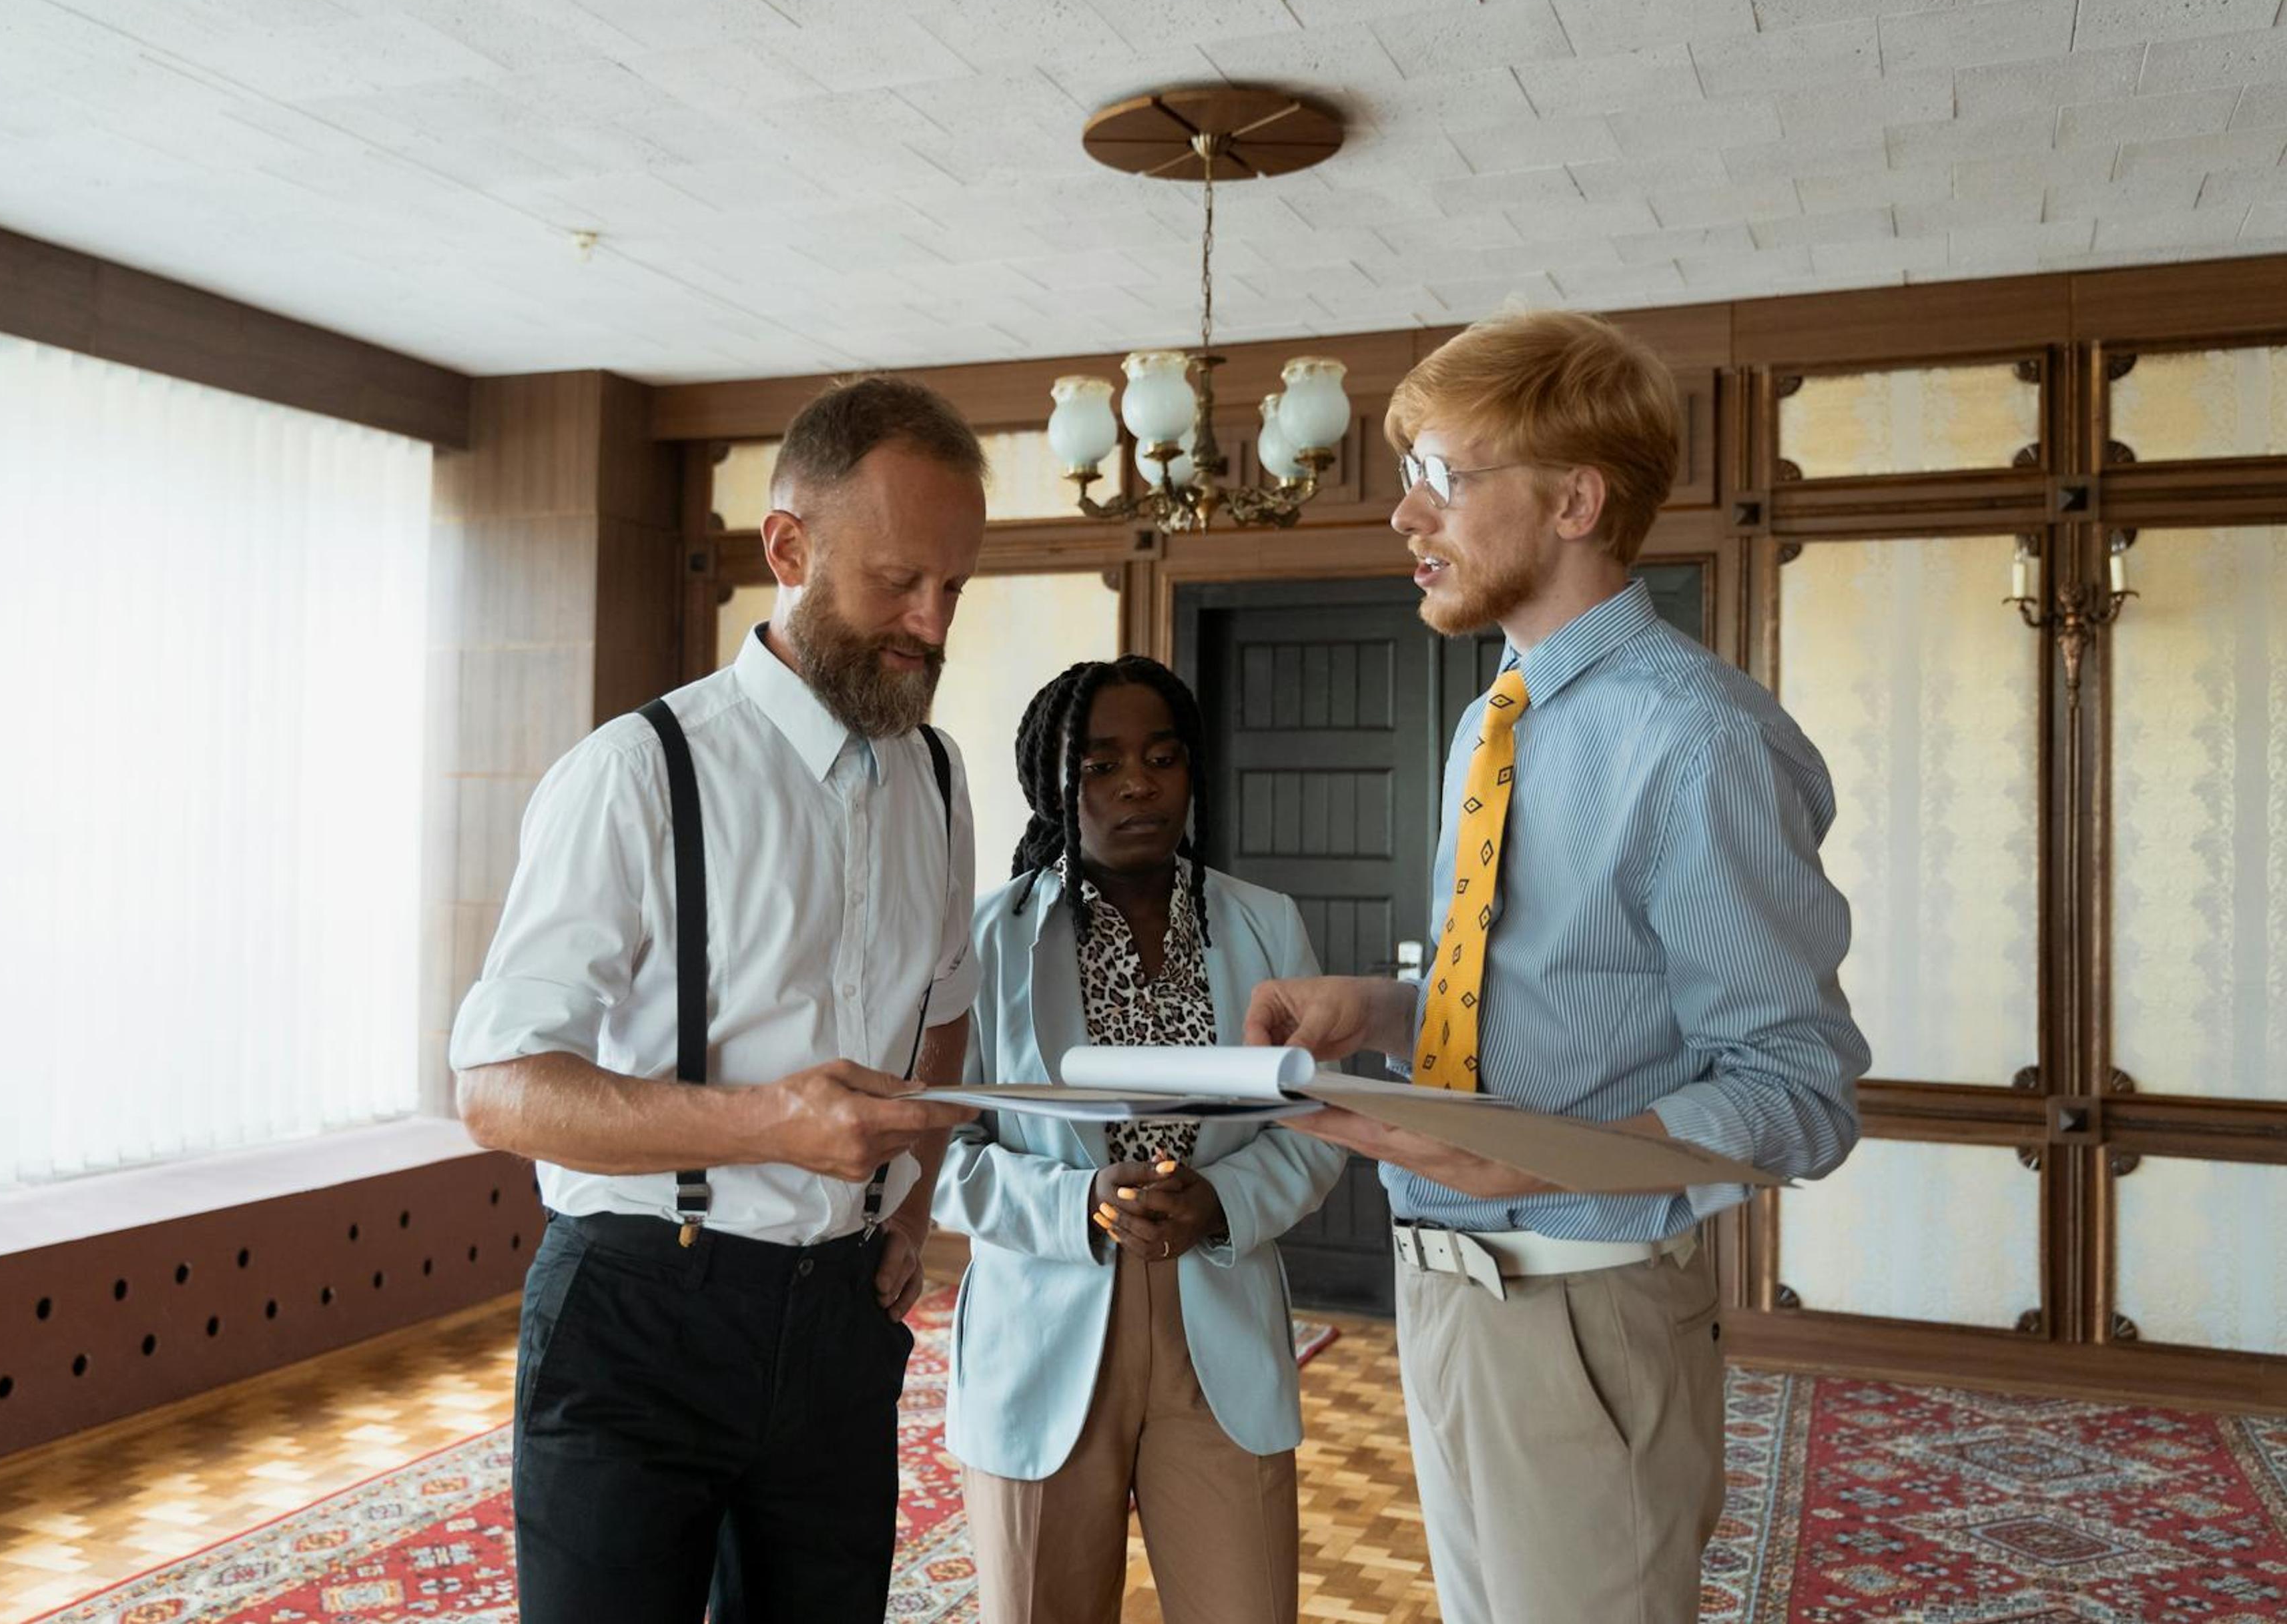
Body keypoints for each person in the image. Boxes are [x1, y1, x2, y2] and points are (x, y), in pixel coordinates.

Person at [1245, 309, 1871, 1624]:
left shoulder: (1697, 741)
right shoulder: (1498, 714)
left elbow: (1799, 1089)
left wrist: (1550, 1156)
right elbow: (1564, 989)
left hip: (1583, 1312)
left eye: (1441, 478)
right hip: (1449, 1298)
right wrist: (1378, 1005)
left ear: (1576, 498)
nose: (1407, 518)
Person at [448, 375, 990, 1624]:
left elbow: (944, 1004)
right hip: (641, 1316)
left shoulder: (940, 780)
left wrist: (908, 1208)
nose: (931, 623)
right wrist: (768, 1126)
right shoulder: (638, 774)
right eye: (900, 581)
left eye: (954, 588)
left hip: (844, 1326)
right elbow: (495, 1087)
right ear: (789, 549)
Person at [937, 656, 1346, 1624]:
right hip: (1045, 1328)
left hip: (1218, 1322)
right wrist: (1075, 1203)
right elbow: (939, 1153)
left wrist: (1224, 1201)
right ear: (1053, 783)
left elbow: (1321, 1122)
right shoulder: (986, 943)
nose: (1138, 784)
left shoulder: (1264, 925)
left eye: (1163, 758)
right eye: (1101, 765)